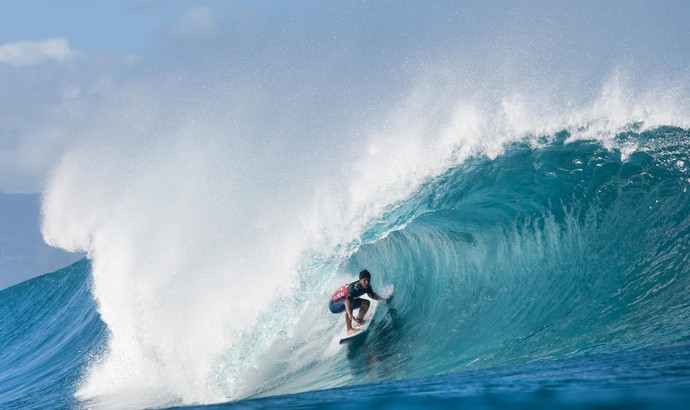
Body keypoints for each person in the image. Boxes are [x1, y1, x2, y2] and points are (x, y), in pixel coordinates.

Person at [329, 269, 388, 335]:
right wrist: (350, 314)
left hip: (344, 301)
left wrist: (383, 299)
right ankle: (349, 329)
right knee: (349, 305)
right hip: (334, 305)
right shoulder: (355, 288)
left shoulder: (367, 286)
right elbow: (347, 301)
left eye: (368, 280)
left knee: (366, 303)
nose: (367, 282)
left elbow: (372, 295)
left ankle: (359, 321)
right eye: (364, 280)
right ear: (360, 280)